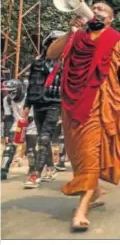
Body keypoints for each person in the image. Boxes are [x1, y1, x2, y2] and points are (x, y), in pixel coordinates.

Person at [46, 1, 120, 231]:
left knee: (90, 155)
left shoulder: (115, 40)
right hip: (72, 105)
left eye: (102, 10)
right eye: (94, 7)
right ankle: (96, 190)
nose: (96, 10)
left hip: (100, 106)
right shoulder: (77, 37)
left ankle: (81, 209)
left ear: (110, 19)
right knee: (78, 154)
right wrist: (71, 32)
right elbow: (51, 53)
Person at [23, 31, 66, 188]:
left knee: (44, 138)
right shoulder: (37, 63)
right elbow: (31, 85)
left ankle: (36, 174)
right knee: (43, 138)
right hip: (37, 103)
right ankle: (50, 167)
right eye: (54, 42)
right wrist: (26, 106)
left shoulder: (65, 63)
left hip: (54, 104)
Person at [1, 79, 37, 181]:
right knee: (9, 148)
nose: (11, 93)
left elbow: (30, 117)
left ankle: (33, 169)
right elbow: (8, 117)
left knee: (30, 151)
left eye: (13, 91)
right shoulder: (7, 100)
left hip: (31, 125)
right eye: (9, 91)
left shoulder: (29, 99)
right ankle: (3, 171)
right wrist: (6, 134)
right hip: (17, 124)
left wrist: (23, 131)